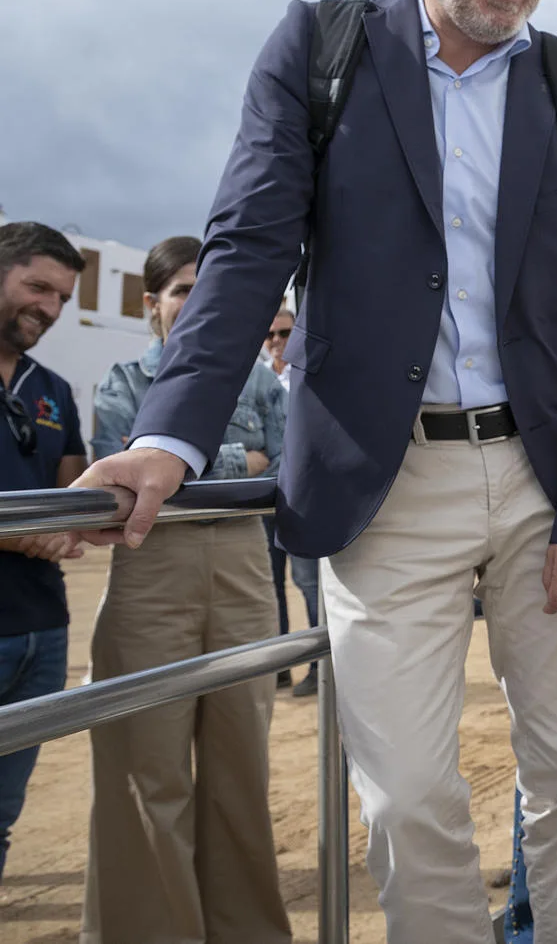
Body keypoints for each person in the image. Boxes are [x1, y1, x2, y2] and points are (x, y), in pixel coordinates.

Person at [73, 0, 557, 943]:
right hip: (385, 489)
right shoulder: (321, 49)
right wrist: (169, 438)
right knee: (409, 794)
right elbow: (245, 250)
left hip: (546, 487)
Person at [82, 235, 290, 943]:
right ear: (153, 304)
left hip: (243, 575)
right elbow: (116, 476)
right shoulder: (121, 379)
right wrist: (237, 456)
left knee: (242, 771)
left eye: (210, 288)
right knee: (149, 775)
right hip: (149, 574)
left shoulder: (259, 378)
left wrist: (171, 463)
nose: (197, 302)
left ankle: (248, 933)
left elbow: (286, 468)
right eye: (181, 290)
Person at [0, 223, 87, 888]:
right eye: (37, 287)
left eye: (61, 297)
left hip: (41, 630)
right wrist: (17, 528)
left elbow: (74, 487)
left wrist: (74, 520)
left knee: (2, 814)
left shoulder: (52, 388)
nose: (50, 309)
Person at [261, 304, 320, 694]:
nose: (278, 341)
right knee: (269, 585)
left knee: (308, 582)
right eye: (271, 335)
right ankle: (279, 667)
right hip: (261, 498)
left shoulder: (309, 375)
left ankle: (319, 665)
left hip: (299, 497)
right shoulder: (257, 382)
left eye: (285, 332)